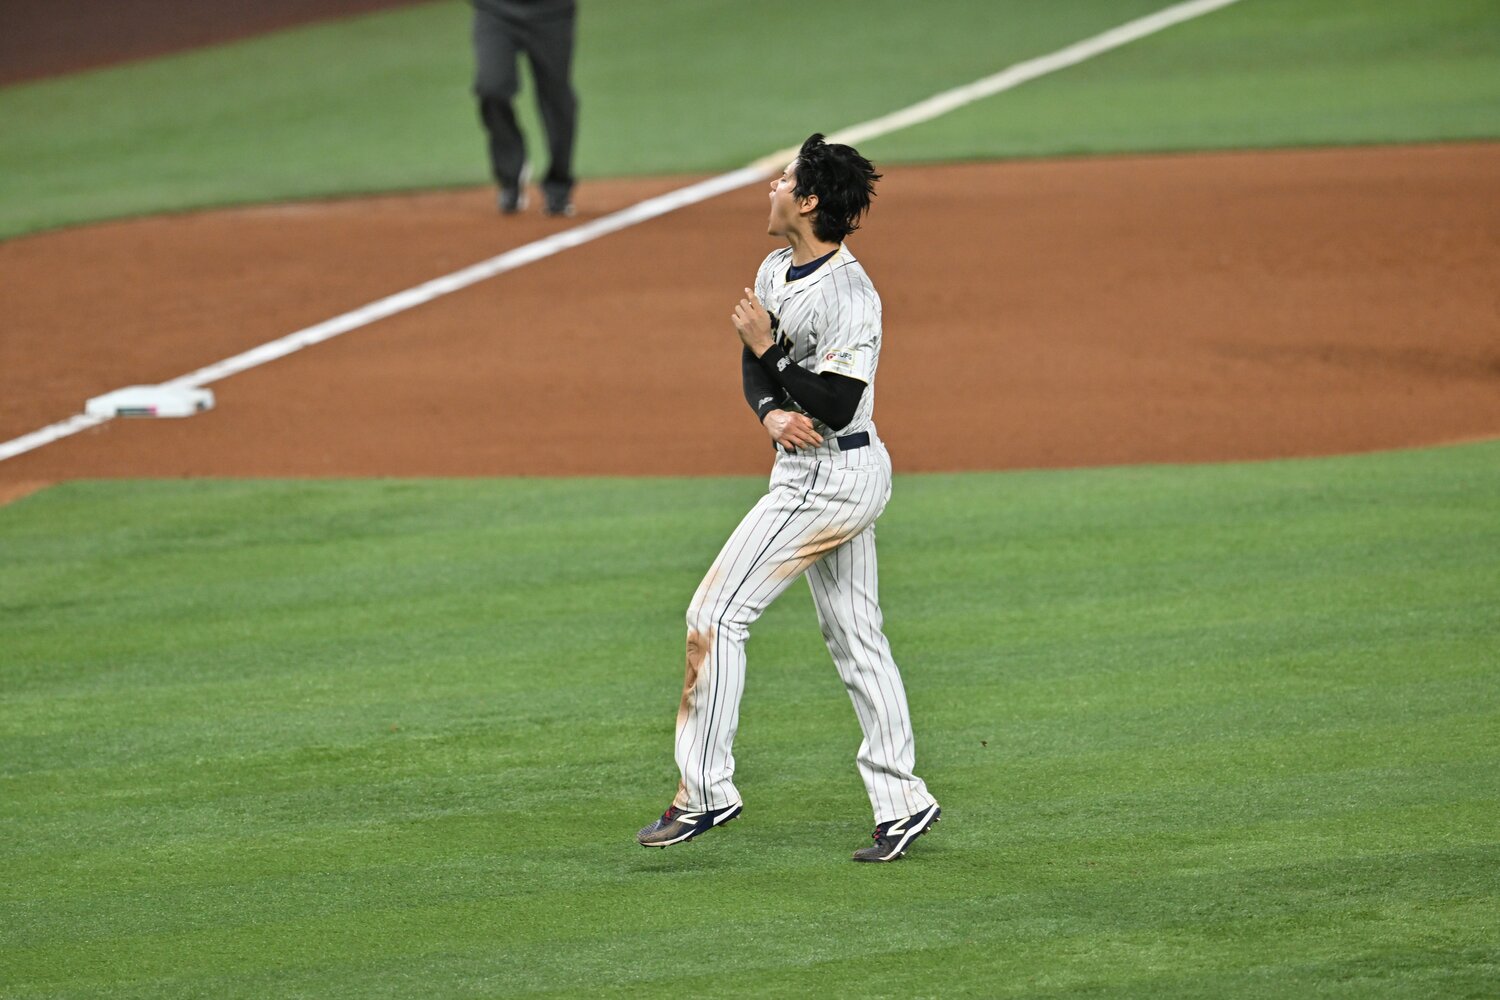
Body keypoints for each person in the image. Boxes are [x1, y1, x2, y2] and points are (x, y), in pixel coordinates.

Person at [636, 134, 941, 863]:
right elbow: (756, 367)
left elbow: (836, 402)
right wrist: (768, 408)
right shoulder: (776, 268)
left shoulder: (851, 295)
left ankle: (705, 793)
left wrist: (771, 354)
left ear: (807, 201)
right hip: (807, 472)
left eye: (783, 178)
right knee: (857, 639)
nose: (770, 184)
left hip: (835, 479)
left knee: (714, 613)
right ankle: (903, 801)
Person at [470, 0, 578, 216]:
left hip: (552, 12)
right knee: (492, 87)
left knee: (556, 97)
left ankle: (558, 185)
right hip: (495, 10)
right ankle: (511, 175)